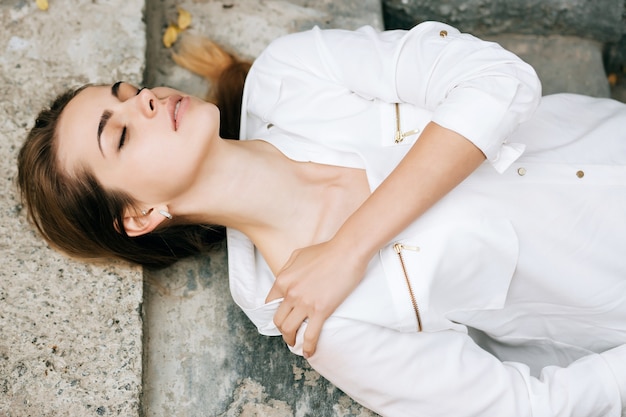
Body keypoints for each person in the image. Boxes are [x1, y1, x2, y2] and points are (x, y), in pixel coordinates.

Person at [17, 21, 626, 416]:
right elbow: (521, 408)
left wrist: (351, 247)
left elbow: (499, 80)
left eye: (125, 92)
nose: (144, 100)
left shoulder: (290, 76)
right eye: (118, 135)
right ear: (144, 214)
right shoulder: (324, 327)